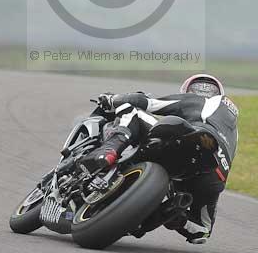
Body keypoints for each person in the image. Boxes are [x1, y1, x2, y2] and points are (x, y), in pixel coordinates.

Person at [82, 74, 239, 244]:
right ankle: (168, 212)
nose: (201, 92)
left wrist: (112, 99)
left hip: (189, 140)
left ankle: (109, 150)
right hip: (214, 173)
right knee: (201, 229)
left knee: (130, 109)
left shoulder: (199, 101)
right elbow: (202, 234)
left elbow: (147, 103)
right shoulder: (233, 131)